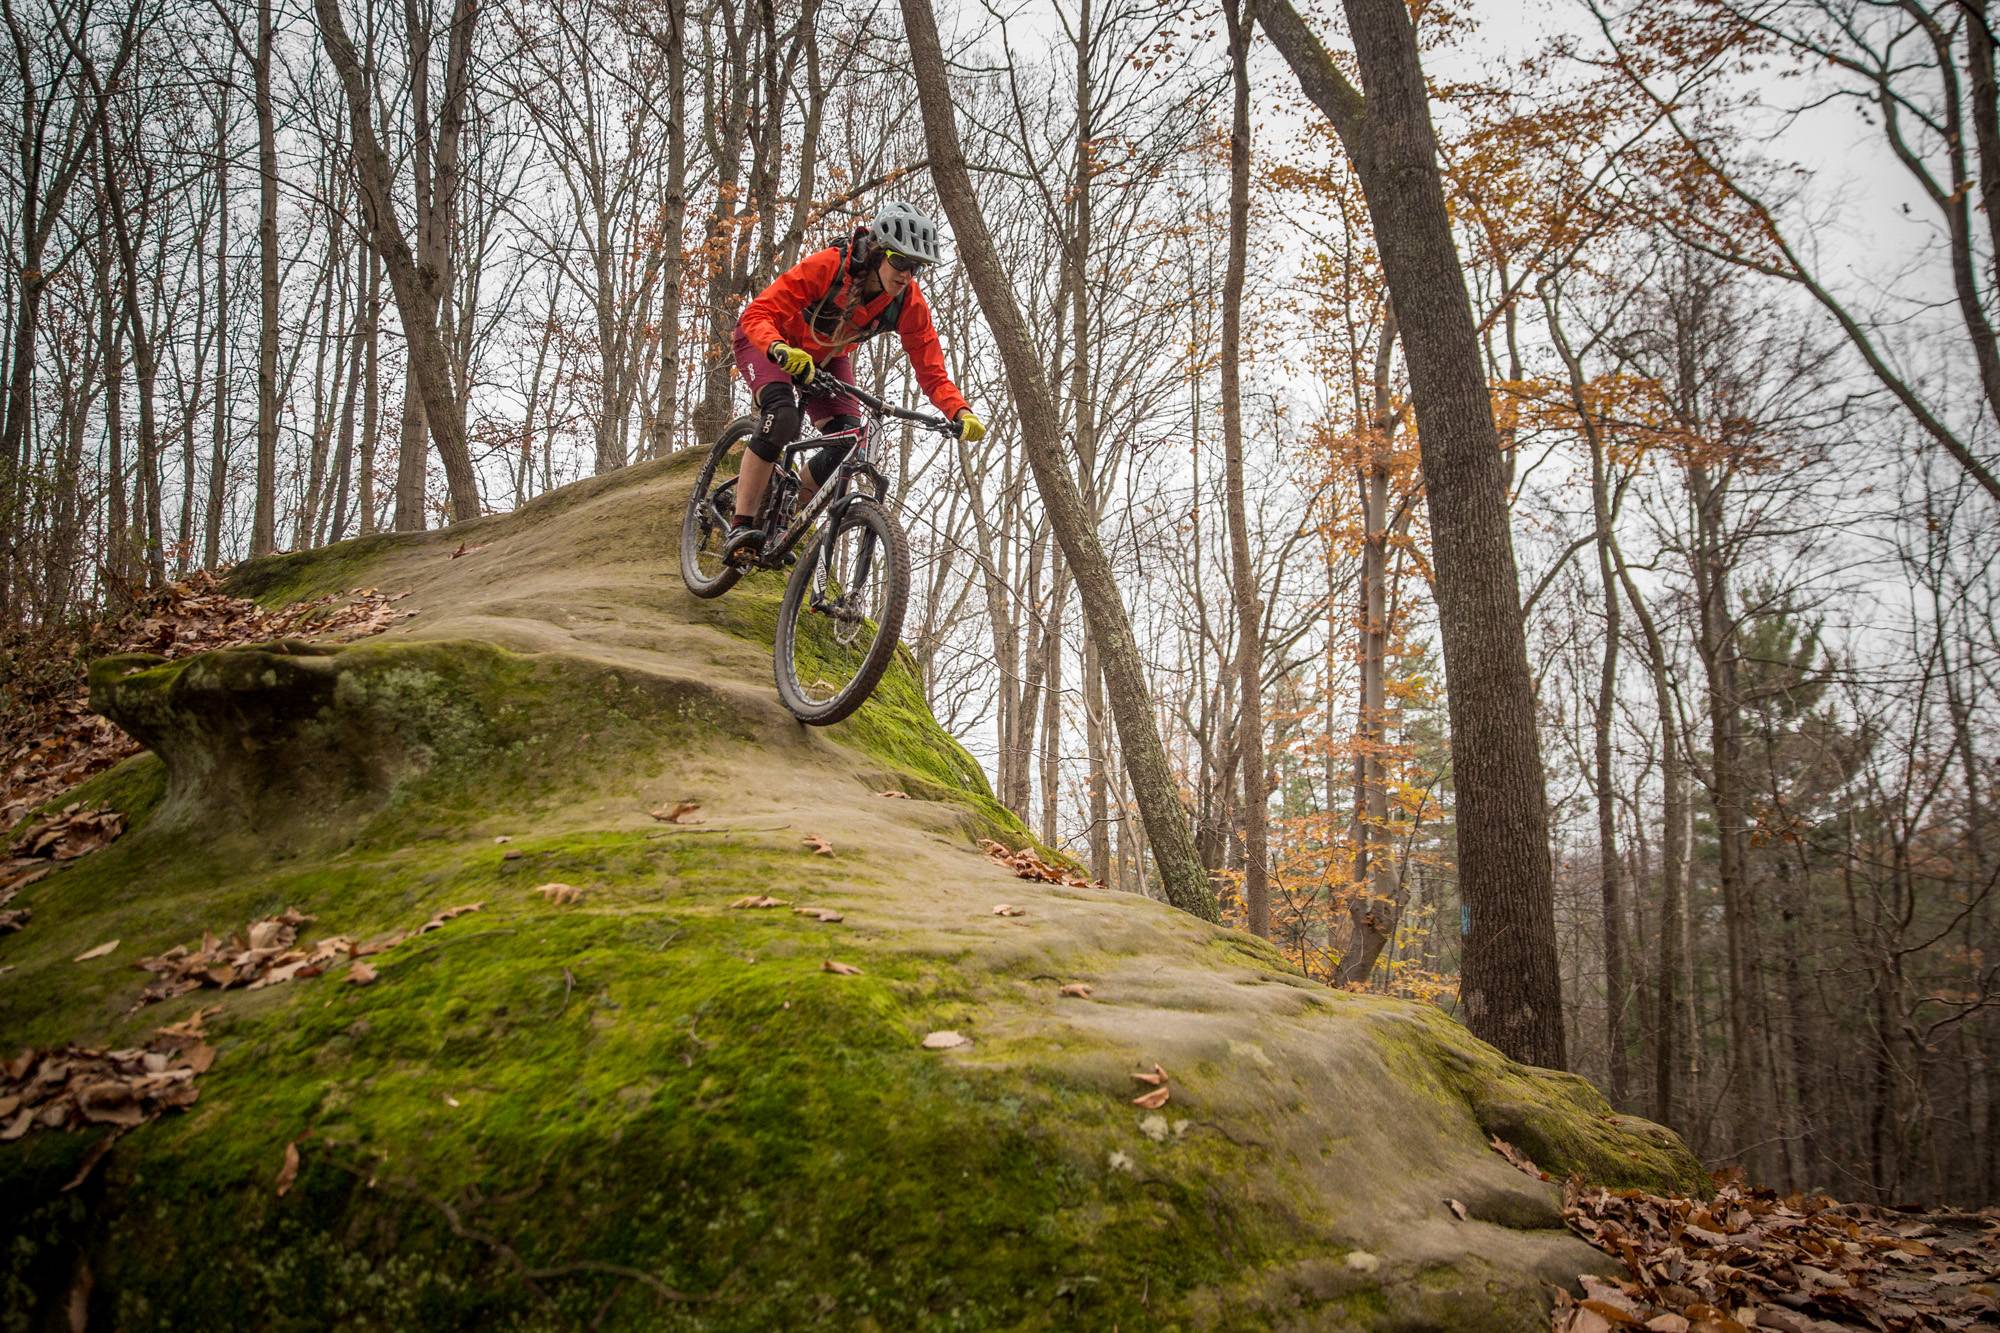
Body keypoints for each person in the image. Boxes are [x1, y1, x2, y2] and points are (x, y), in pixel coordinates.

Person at [723, 200, 985, 565]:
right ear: (878, 252)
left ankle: (781, 517)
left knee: (848, 439)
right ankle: (740, 524)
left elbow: (930, 366)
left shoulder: (908, 302)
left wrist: (958, 409)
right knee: (782, 416)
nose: (907, 274)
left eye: (917, 267)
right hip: (767, 340)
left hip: (826, 357)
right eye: (900, 262)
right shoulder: (830, 266)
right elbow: (758, 312)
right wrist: (778, 348)